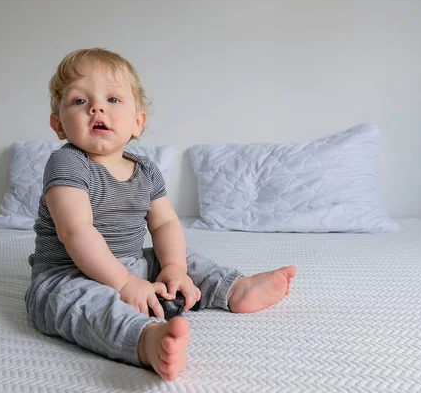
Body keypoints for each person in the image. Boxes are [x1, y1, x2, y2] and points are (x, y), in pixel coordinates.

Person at [25, 48, 296, 381]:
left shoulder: (145, 170)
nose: (96, 107)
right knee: (83, 304)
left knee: (184, 259)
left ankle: (234, 289)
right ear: (58, 125)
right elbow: (76, 231)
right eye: (80, 102)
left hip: (133, 262)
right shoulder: (67, 163)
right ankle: (145, 340)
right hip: (68, 275)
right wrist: (124, 283)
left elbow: (165, 222)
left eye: (112, 99)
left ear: (138, 121)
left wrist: (173, 269)